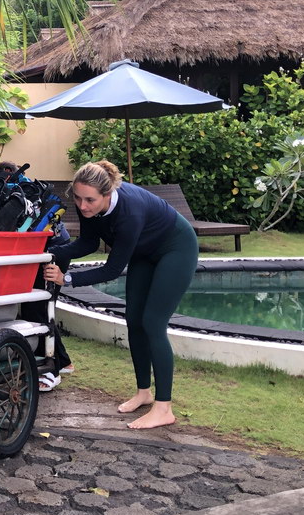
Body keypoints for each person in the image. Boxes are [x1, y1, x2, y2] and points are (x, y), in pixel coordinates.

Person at [42, 160, 197, 429]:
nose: (82, 206)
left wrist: (66, 278)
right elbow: (88, 242)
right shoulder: (87, 202)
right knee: (134, 321)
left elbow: (112, 269)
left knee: (153, 324)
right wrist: (48, 251)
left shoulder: (129, 212)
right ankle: (144, 393)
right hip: (144, 252)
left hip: (176, 248)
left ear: (107, 194)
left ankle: (164, 408)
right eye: (77, 198)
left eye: (89, 200)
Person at [0, 161, 75, 392]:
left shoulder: (20, 195)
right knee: (39, 308)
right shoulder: (23, 192)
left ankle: (52, 370)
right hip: (44, 251)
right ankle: (63, 361)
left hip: (51, 253)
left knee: (38, 308)